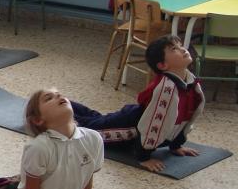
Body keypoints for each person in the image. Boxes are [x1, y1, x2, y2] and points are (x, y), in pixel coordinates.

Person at [72, 35, 204, 173]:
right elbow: (153, 124)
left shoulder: (190, 81)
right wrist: (144, 157)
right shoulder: (166, 89)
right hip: (130, 126)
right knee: (89, 131)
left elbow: (185, 119)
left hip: (135, 116)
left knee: (96, 119)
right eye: (174, 49)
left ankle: (62, 104)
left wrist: (176, 145)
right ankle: (58, 108)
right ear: (163, 65)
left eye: (180, 46)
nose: (182, 49)